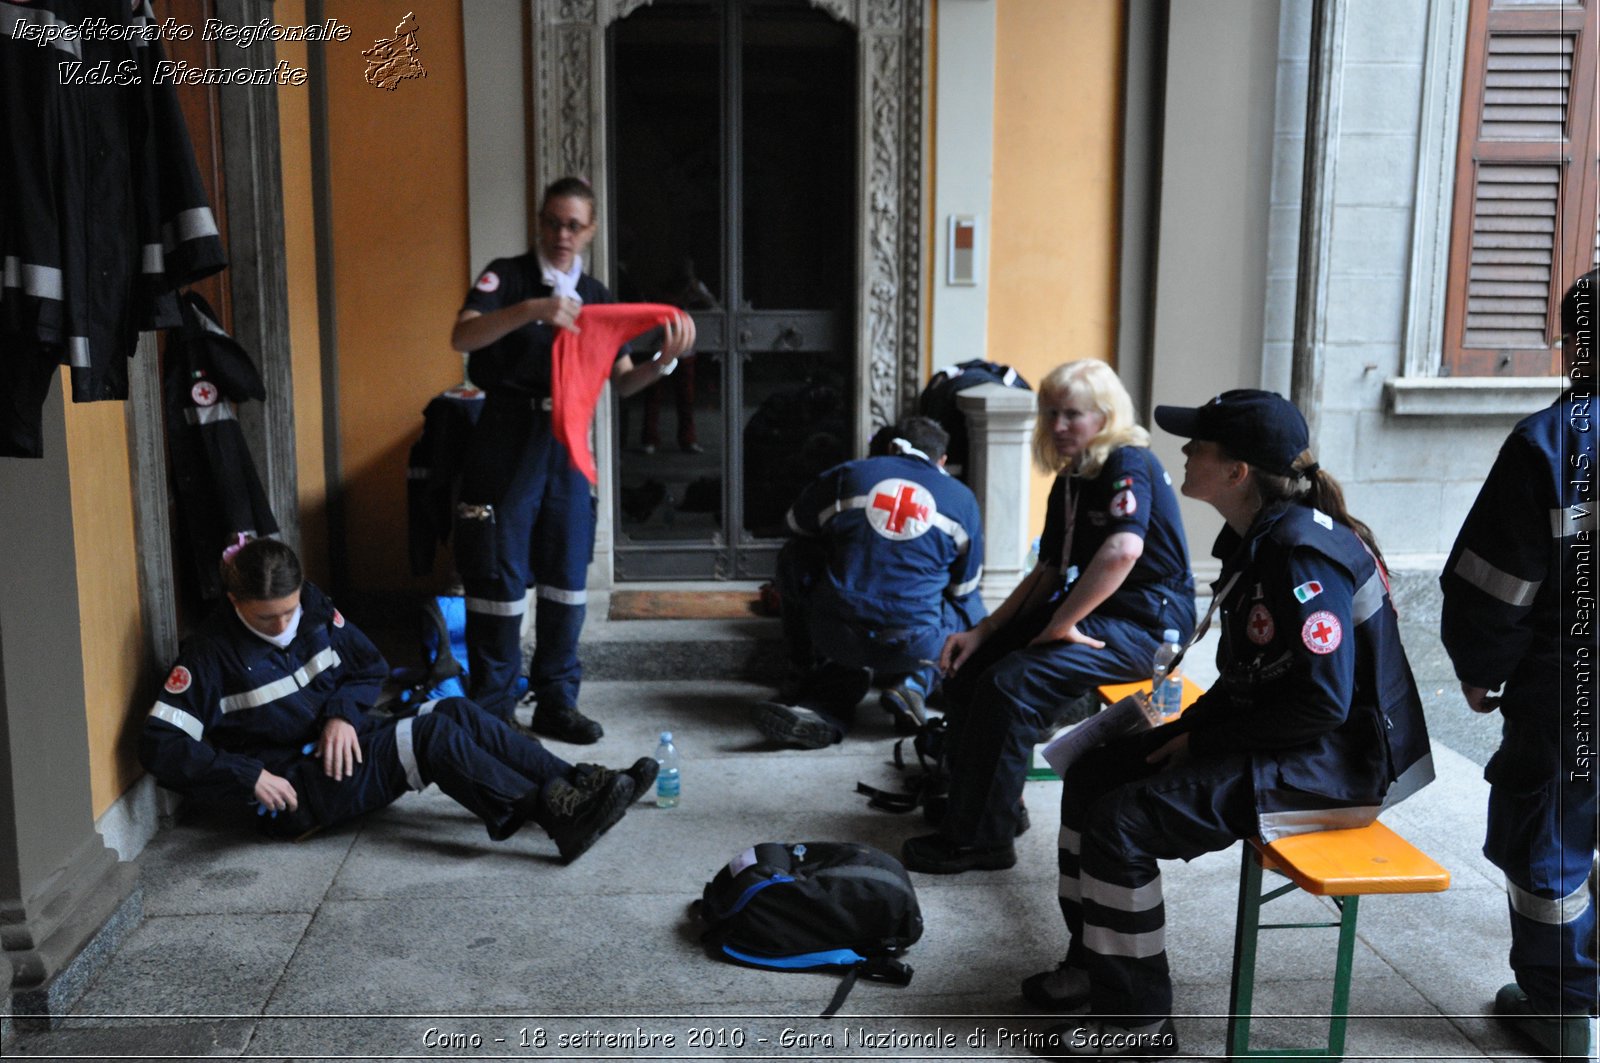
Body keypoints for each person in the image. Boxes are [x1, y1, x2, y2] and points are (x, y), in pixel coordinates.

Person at [1021, 389, 1434, 1059]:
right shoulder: (1266, 534)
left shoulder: (1300, 555)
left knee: (1121, 821)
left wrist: (1203, 740)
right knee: (1093, 773)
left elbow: (1322, 703)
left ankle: (1137, 1025)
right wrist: (1189, 729)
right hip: (1288, 738)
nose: (1184, 452)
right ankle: (1093, 963)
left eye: (1199, 445)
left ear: (1238, 471)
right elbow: (1261, 677)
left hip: (1335, 766)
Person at [138, 539, 655, 864]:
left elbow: (368, 666)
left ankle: (579, 783)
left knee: (452, 710)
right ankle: (556, 816)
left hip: (336, 750)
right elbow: (159, 744)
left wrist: (341, 715)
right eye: (266, 616)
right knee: (428, 735)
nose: (282, 625)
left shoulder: (313, 610)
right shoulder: (208, 656)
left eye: (289, 610)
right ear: (234, 603)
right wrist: (245, 776)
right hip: (293, 794)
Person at [901, 360, 1196, 875]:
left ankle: (983, 841)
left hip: (1148, 628)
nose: (1057, 426)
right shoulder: (1074, 476)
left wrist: (1060, 625)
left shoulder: (1129, 461)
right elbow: (1049, 569)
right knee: (972, 671)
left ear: (1105, 417)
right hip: (1096, 611)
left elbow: (1124, 550)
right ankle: (990, 805)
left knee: (1011, 687)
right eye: (1051, 413)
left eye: (1072, 415)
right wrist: (983, 631)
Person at [450, 176, 696, 744]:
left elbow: (622, 383)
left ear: (590, 230)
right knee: (498, 576)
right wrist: (532, 309)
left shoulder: (601, 294)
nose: (563, 234)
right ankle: (494, 706)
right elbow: (462, 338)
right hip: (507, 432)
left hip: (568, 438)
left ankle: (557, 702)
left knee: (566, 576)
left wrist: (663, 361)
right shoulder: (506, 275)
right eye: (554, 222)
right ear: (540, 222)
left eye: (574, 225)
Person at [1440, 268, 1598, 1061]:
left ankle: (1564, 1007)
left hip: (1573, 686)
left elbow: (1496, 582)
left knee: (1552, 832)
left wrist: (1480, 667)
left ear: (1575, 345)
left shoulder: (1555, 440)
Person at [752, 416, 987, 748]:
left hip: (836, 637)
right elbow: (964, 590)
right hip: (916, 646)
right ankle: (918, 683)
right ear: (942, 460)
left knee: (795, 555)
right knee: (967, 601)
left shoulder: (849, 474)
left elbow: (795, 524)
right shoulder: (962, 499)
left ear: (892, 447)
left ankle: (810, 689)